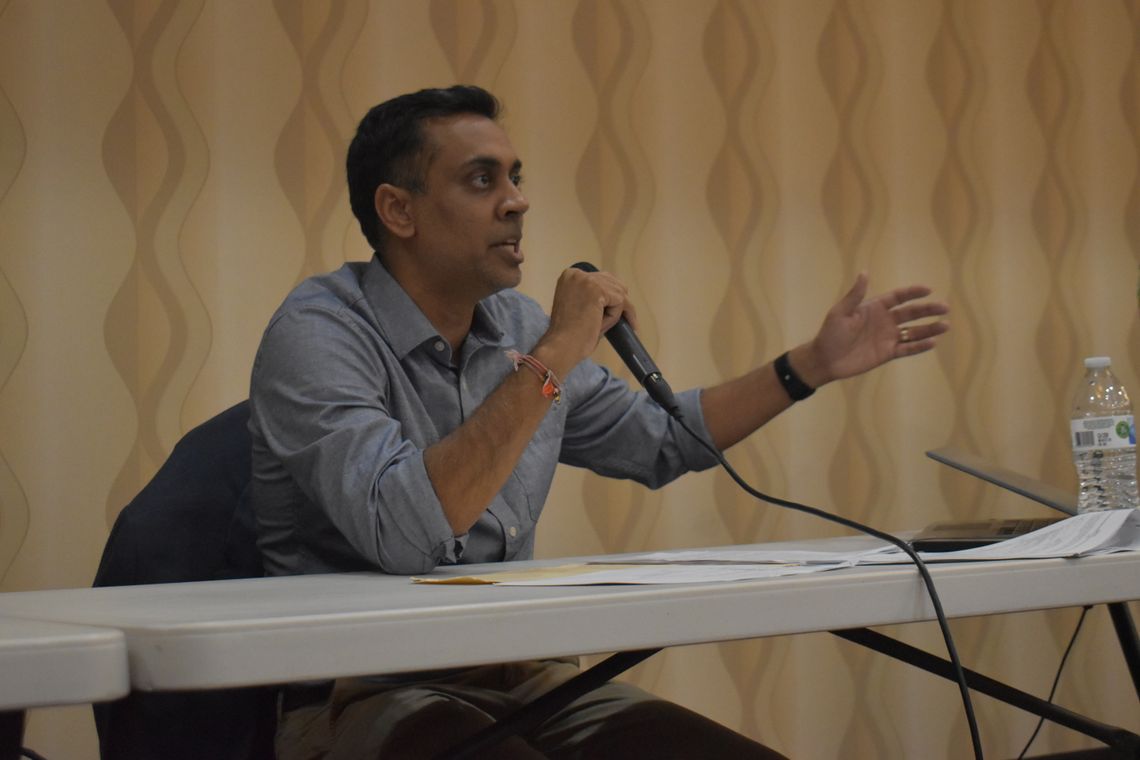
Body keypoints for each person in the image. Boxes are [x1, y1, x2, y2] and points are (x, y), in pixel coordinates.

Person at [249, 84, 949, 759]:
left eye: (516, 178)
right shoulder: (320, 332)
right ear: (398, 211)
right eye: (481, 180)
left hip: (518, 675)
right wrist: (556, 351)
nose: (518, 202)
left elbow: (663, 441)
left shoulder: (515, 327)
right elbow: (406, 536)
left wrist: (809, 366)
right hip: (359, 694)